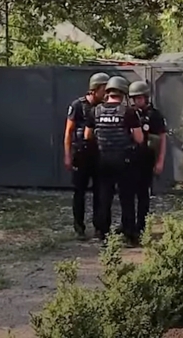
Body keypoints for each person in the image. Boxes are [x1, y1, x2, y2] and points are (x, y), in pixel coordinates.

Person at [84, 76, 144, 244]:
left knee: (104, 197)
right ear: (123, 93)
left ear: (108, 92)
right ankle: (130, 234)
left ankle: (103, 234)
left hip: (102, 160)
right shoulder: (129, 112)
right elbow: (139, 138)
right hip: (124, 161)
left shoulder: (94, 111)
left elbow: (87, 136)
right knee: (127, 198)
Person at [63, 72, 109, 240]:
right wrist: (67, 156)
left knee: (100, 192)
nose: (107, 93)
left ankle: (99, 227)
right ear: (95, 89)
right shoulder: (77, 106)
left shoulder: (103, 107)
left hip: (98, 155)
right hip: (80, 155)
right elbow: (68, 132)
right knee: (79, 192)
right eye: (104, 89)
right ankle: (79, 227)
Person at [123, 80, 166, 246]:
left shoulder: (154, 115)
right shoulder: (129, 114)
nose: (135, 101)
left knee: (143, 197)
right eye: (133, 98)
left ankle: (141, 228)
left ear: (145, 97)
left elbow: (162, 139)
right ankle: (128, 228)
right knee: (127, 197)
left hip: (146, 161)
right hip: (129, 161)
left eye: (138, 98)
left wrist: (160, 160)